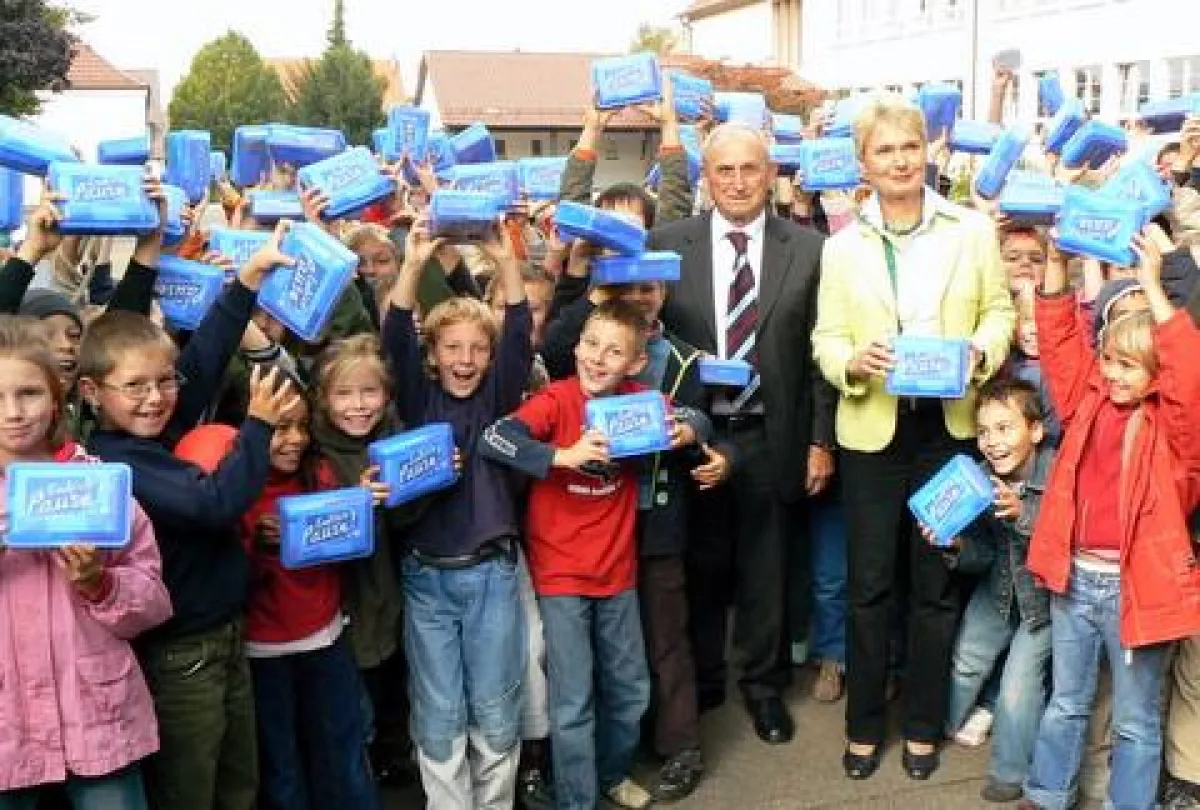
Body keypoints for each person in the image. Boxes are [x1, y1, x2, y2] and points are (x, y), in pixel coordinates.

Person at [812, 94, 1015, 780]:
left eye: (909, 147)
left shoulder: (971, 231)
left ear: (926, 151)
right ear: (863, 162)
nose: (899, 160)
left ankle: (924, 725)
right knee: (869, 586)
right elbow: (826, 337)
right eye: (884, 150)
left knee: (934, 585)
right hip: (872, 433)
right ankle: (865, 725)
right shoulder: (841, 247)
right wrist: (850, 363)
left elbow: (999, 312)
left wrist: (979, 357)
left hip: (948, 433)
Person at [76, 226, 298, 810]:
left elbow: (199, 363)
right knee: (190, 788)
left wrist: (247, 280)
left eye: (161, 382)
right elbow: (215, 504)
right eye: (134, 387)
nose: (155, 398)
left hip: (225, 636)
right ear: (93, 394)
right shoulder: (119, 462)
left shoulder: (153, 426)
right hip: (181, 656)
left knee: (237, 781)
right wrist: (258, 427)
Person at [650, 121, 835, 745]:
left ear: (771, 174)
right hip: (690, 431)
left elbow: (818, 355)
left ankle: (763, 688)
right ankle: (703, 681)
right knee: (699, 563)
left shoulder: (808, 248)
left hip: (773, 431)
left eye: (749, 168)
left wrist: (820, 440)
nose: (737, 181)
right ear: (706, 178)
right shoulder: (666, 244)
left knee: (768, 568)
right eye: (723, 170)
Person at [482, 300, 699, 810]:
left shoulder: (638, 402)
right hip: (560, 577)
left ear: (635, 363)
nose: (599, 358)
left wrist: (689, 432)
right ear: (575, 347)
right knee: (573, 700)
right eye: (591, 345)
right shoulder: (555, 401)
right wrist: (562, 456)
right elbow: (495, 438)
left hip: (618, 574)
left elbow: (693, 416)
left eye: (614, 351)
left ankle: (610, 773)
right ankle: (577, 800)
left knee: (631, 691)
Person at [1018, 234, 1200, 810]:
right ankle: (1047, 795)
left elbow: (1189, 377)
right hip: (1074, 581)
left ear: (1157, 372)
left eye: (1131, 367)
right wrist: (1055, 262)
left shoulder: (1176, 438)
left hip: (1134, 591)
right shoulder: (1089, 400)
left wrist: (1152, 285)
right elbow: (1059, 341)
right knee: (1065, 702)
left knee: (1135, 720)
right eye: (1110, 362)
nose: (1114, 375)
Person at [377, 215, 531, 808]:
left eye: (476, 350)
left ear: (490, 360)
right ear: (433, 356)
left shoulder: (498, 398)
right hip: (425, 576)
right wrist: (413, 262)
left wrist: (505, 261)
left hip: (491, 571)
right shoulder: (418, 401)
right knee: (439, 709)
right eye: (452, 349)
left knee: (495, 704)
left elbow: (518, 333)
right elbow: (393, 335)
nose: (464, 360)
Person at [0, 316, 172, 809]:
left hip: (96, 718)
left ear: (57, 398)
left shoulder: (98, 486)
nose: (14, 412)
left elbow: (155, 601)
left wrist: (101, 584)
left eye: (29, 393)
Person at [236, 372, 380, 810]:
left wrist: (354, 506)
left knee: (344, 751)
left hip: (326, 637)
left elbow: (347, 549)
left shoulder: (321, 473)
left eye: (302, 426)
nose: (294, 440)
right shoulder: (234, 489)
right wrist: (252, 542)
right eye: (280, 428)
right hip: (262, 650)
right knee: (282, 766)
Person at [936, 378, 1054, 804]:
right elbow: (982, 557)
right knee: (966, 661)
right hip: (998, 591)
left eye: (1005, 428)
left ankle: (1011, 772)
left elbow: (1070, 539)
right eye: (984, 432)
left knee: (1019, 688)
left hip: (1044, 603)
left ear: (1036, 431)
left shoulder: (1059, 471)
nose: (991, 441)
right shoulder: (978, 480)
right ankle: (947, 727)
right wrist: (956, 546)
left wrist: (1024, 514)